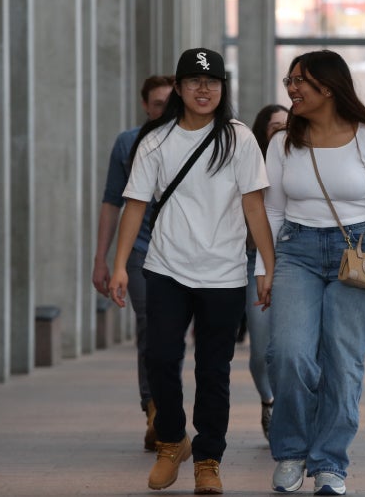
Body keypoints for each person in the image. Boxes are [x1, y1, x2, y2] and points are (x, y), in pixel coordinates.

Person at [108, 47, 274, 495]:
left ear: (223, 88)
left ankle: (207, 460)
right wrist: (119, 265)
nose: (204, 90)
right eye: (195, 82)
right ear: (179, 88)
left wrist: (266, 265)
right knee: (161, 357)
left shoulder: (239, 139)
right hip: (166, 268)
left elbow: (254, 206)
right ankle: (171, 441)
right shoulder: (156, 140)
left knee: (213, 371)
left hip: (224, 274)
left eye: (212, 82)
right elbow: (134, 205)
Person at [261, 50, 365, 495]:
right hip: (295, 251)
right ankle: (292, 451)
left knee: (342, 360)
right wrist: (264, 268)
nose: (292, 88)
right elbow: (272, 211)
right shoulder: (283, 143)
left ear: (329, 88)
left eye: (301, 81)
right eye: (289, 80)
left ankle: (330, 462)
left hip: (358, 252)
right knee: (289, 354)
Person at [91, 74, 174, 451]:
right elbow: (113, 202)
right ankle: (154, 408)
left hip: (182, 249)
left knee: (173, 331)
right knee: (150, 323)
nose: (164, 110)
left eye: (170, 103)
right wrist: (103, 260)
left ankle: (167, 404)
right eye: (158, 104)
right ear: (145, 106)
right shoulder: (127, 143)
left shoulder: (194, 139)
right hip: (141, 248)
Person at [244, 104, 288, 441]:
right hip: (253, 261)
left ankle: (288, 410)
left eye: (288, 124)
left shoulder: (300, 160)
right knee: (260, 348)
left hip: (295, 261)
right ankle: (268, 399)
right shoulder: (248, 166)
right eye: (275, 126)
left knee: (291, 346)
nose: (282, 130)